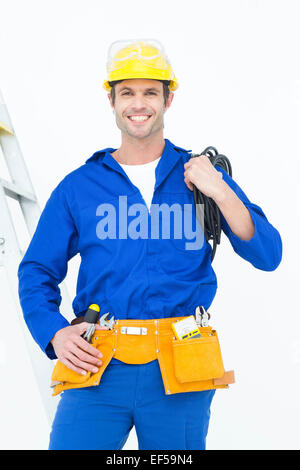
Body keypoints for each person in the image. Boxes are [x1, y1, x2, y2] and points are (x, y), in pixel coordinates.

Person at [17, 39, 282, 450]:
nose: (138, 104)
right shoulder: (80, 186)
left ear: (167, 98)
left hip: (182, 360)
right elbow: (36, 270)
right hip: (98, 360)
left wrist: (221, 190)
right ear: (111, 99)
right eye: (127, 92)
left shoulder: (200, 175)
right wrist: (53, 332)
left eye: (149, 93)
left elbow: (268, 254)